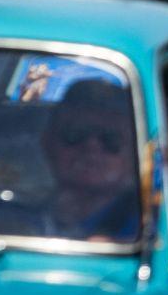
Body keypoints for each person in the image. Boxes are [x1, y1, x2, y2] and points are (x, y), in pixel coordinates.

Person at [38, 79, 139, 242]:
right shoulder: (11, 216)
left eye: (111, 139)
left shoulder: (153, 224)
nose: (91, 148)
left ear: (135, 152)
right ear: (48, 142)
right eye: (75, 134)